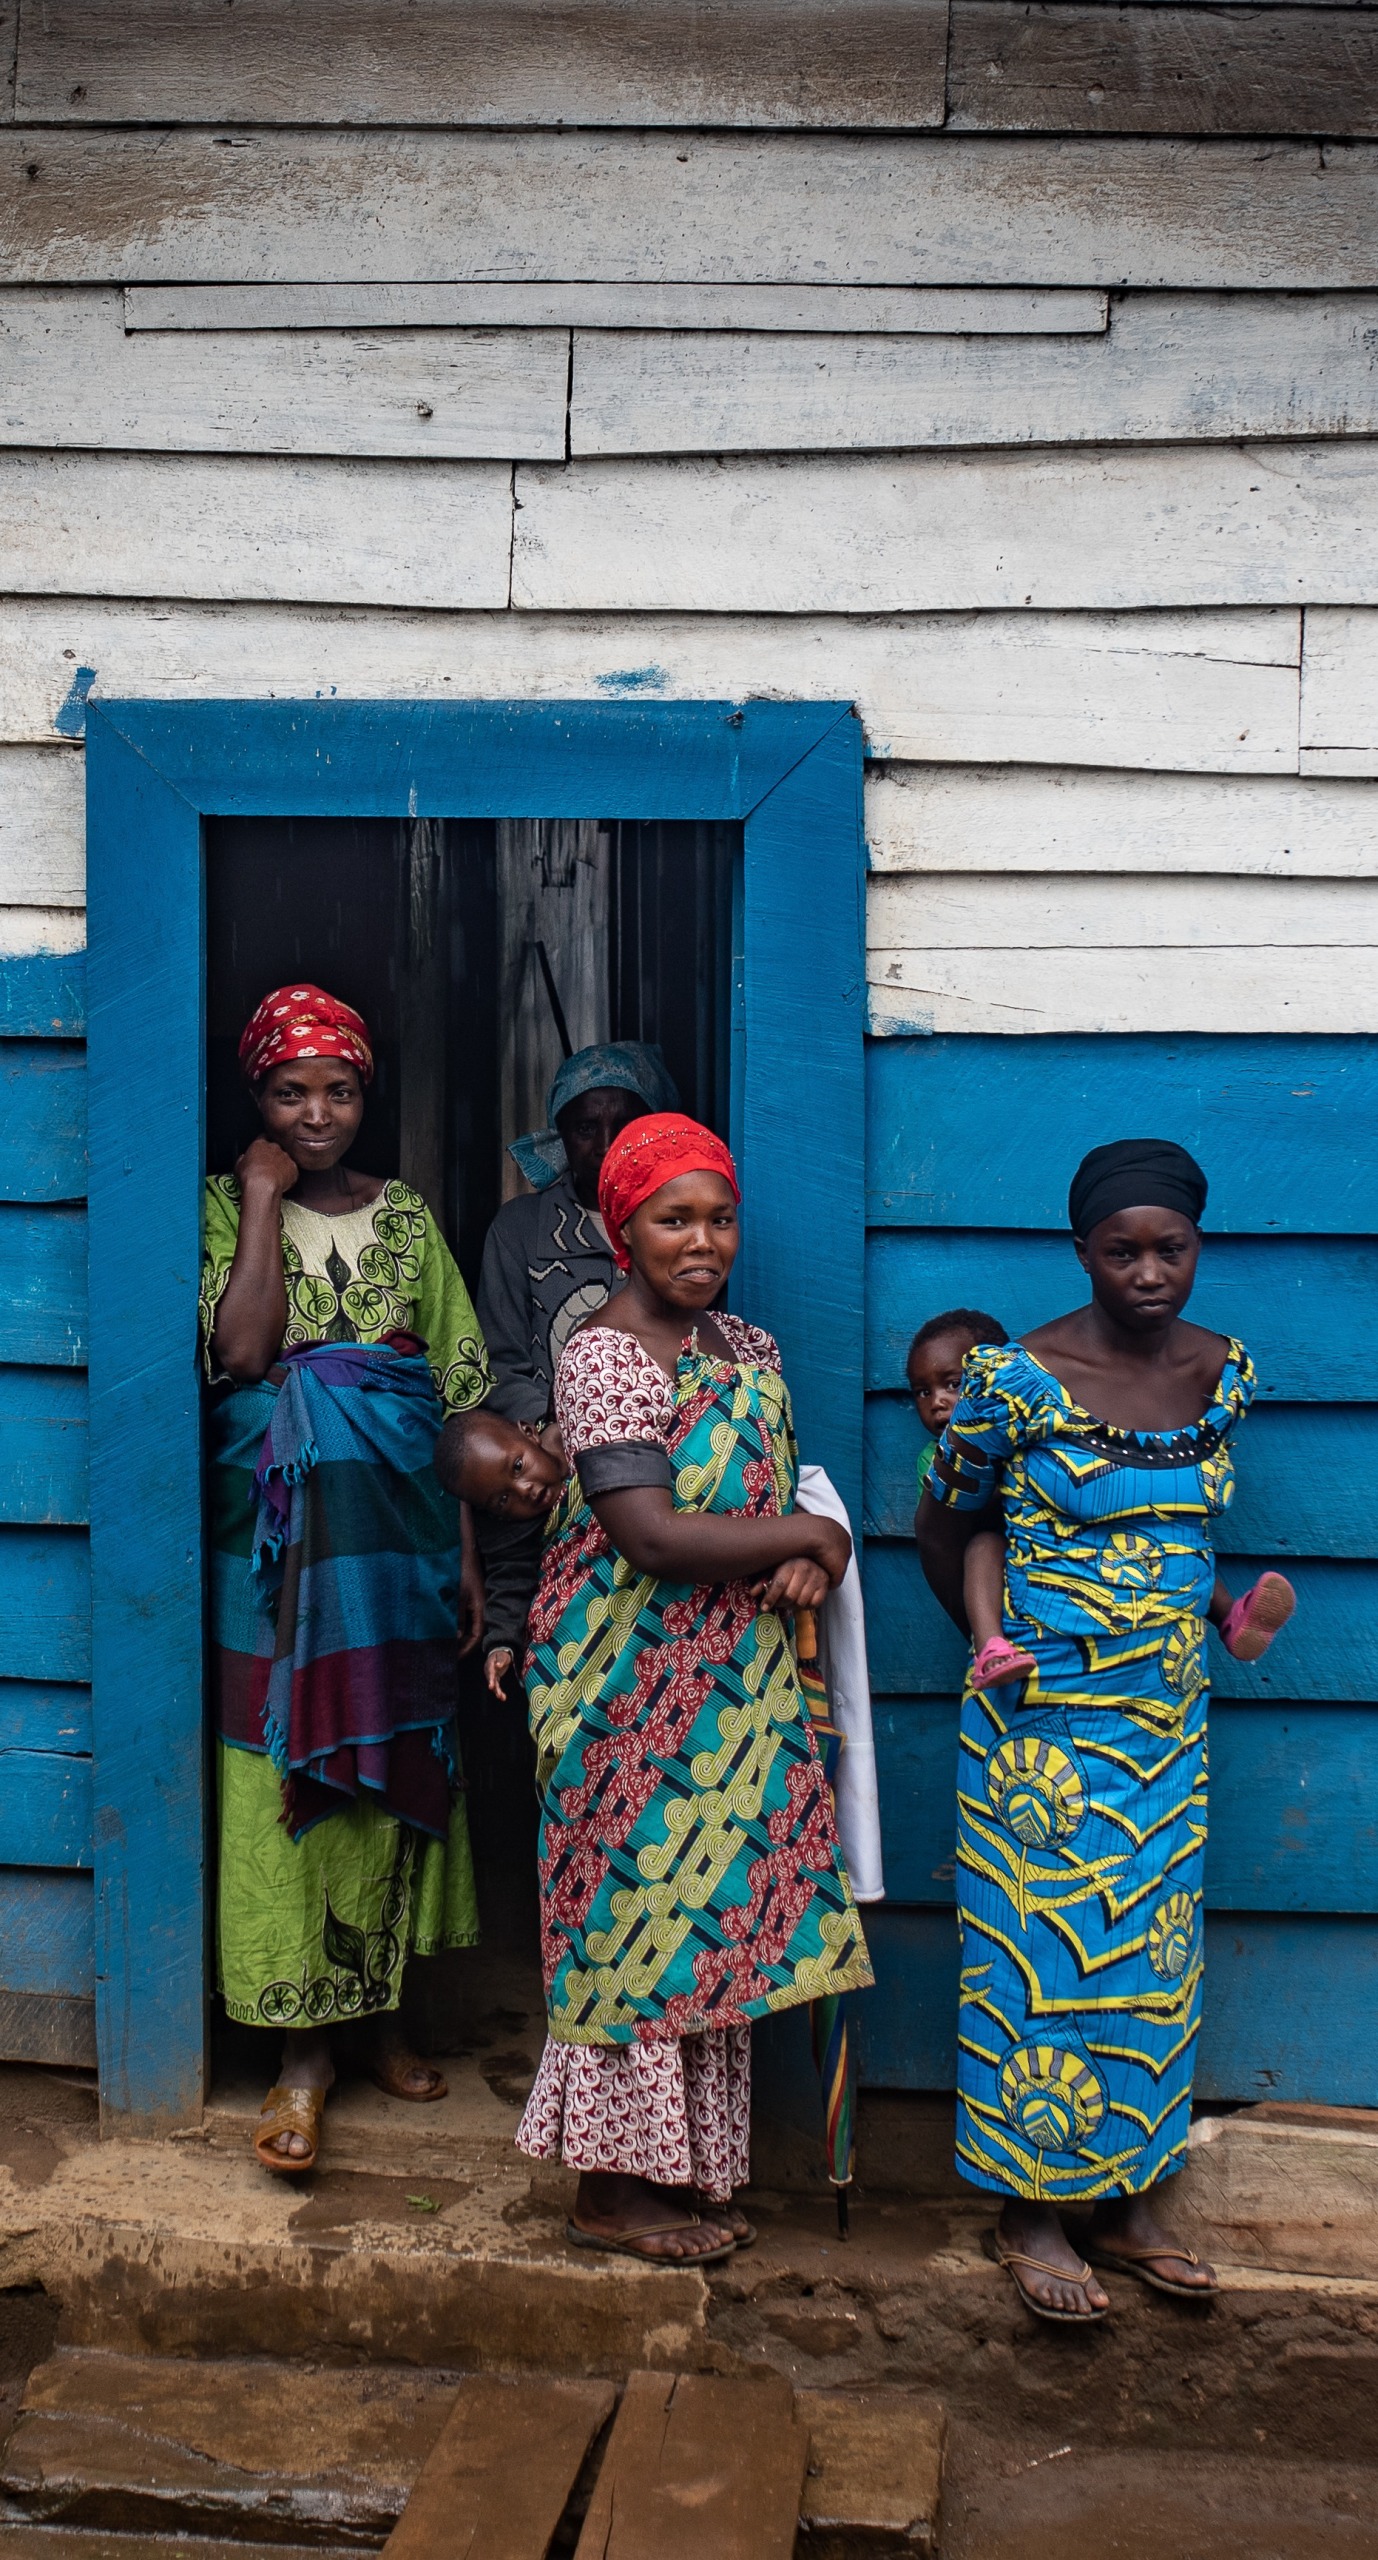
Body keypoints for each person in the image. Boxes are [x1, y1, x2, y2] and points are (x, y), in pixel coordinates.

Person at [916, 1138, 1295, 2323]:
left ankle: (1129, 2201)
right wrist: (995, 1642)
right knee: (1037, 1964)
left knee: (1152, 1958)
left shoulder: (1223, 1372)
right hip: (1044, 1730)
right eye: (1120, 1250)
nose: (1147, 1271)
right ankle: (1029, 2209)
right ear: (1079, 1253)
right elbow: (947, 1519)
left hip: (1168, 1720)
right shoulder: (1014, 1379)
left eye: (1168, 1248)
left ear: (1198, 1248)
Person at [514, 1112, 874, 2263]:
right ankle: (612, 2193)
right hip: (619, 1685)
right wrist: (814, 1531)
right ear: (624, 1230)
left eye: (719, 1217)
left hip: (731, 1683)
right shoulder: (603, 1355)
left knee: (708, 1923)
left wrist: (802, 1546)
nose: (701, 1239)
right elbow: (652, 1533)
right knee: (628, 1922)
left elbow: (756, 1502)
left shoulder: (749, 1347)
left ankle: (690, 2173)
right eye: (674, 1218)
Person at [200, 983, 493, 2174]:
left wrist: (467, 1557)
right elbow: (243, 1353)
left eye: (339, 1089)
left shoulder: (413, 1222)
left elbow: (456, 1399)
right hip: (270, 1550)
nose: (317, 1113)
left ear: (368, 1095)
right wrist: (264, 1197)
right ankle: (299, 2053)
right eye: (289, 1091)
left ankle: (379, 2018)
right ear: (255, 1100)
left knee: (389, 1761)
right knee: (282, 1770)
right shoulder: (226, 1206)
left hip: (399, 1542)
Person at [476, 1040, 679, 1436]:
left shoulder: (682, 1225)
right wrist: (558, 1431)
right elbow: (500, 1365)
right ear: (562, 1137)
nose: (606, 1146)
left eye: (625, 1127)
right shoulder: (520, 1228)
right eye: (586, 1128)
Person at [908, 1308, 1032, 1690]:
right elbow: (948, 1522)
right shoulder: (934, 1459)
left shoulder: (1030, 1438)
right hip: (990, 1565)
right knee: (983, 1545)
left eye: (953, 1384)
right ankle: (990, 1646)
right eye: (923, 1391)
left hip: (1049, 1561)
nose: (937, 1402)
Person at [434, 1405, 567, 1698]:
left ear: (530, 1433)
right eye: (503, 1499)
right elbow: (509, 1585)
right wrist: (501, 1645)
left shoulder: (579, 1436)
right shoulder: (514, 1532)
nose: (525, 1490)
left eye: (518, 1467)